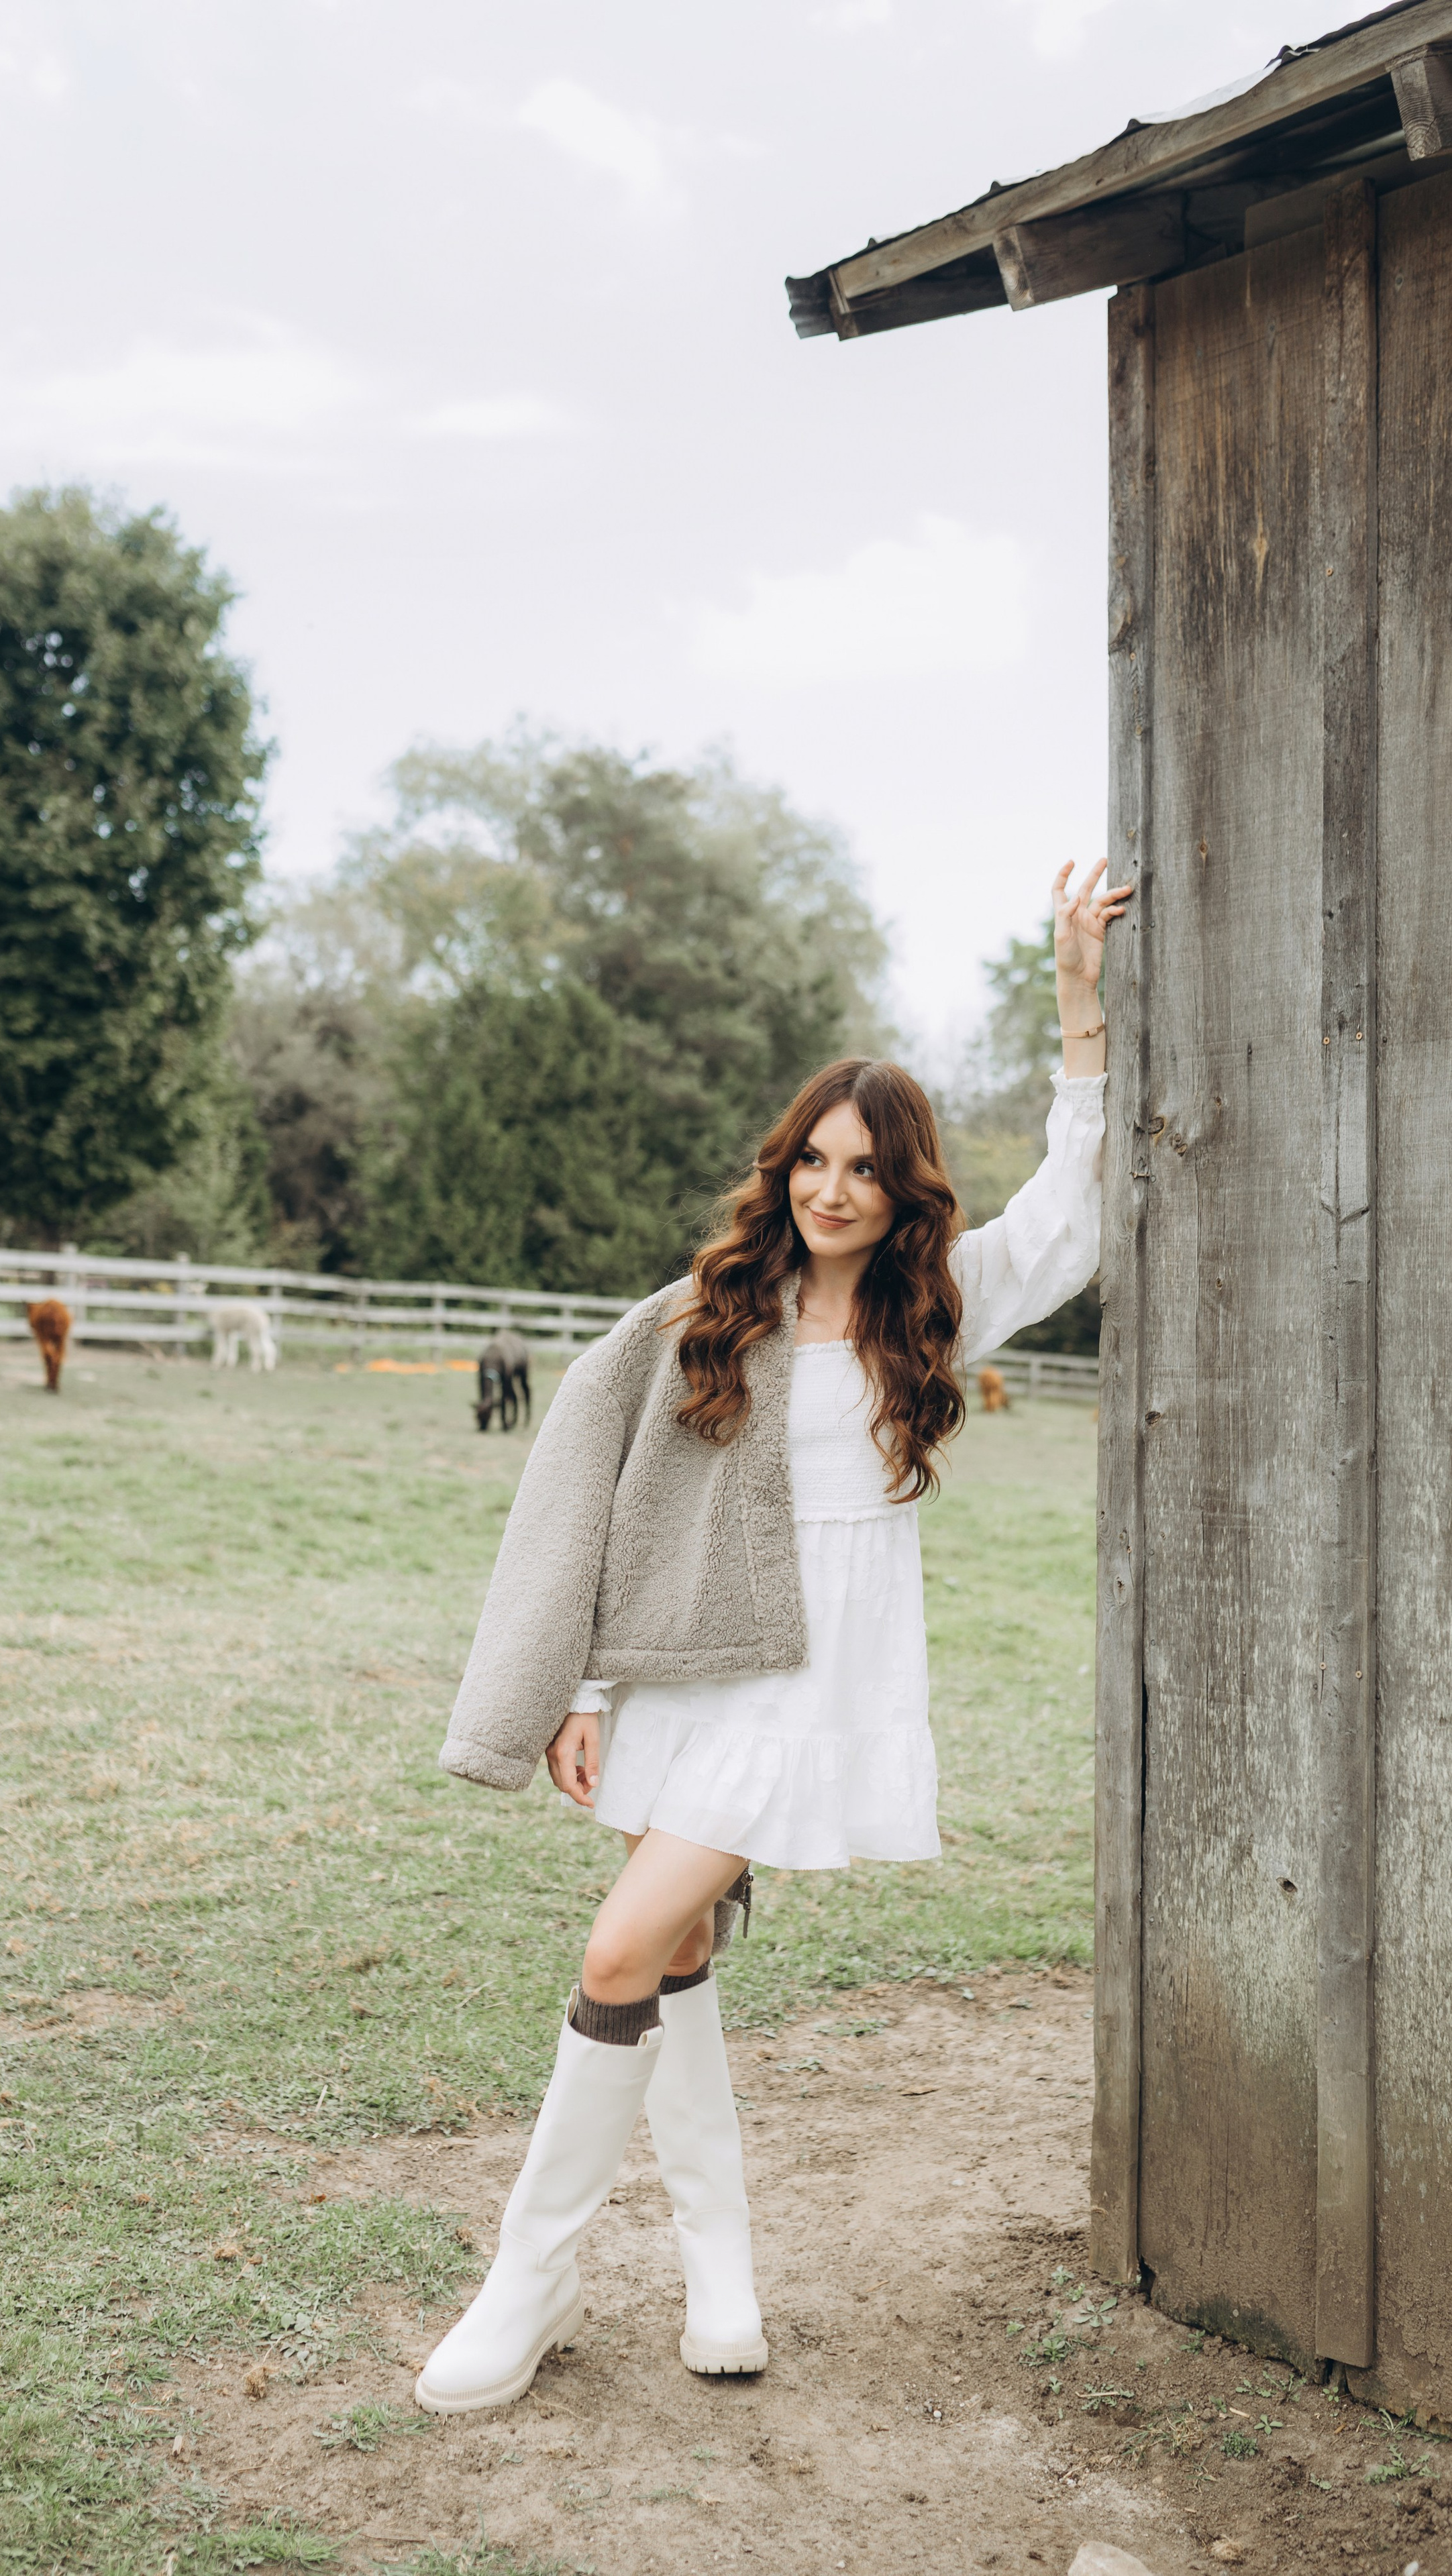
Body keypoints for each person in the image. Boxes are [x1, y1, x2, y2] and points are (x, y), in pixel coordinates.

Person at [415, 858, 1131, 2415]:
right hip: (683, 1666)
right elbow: (621, 1504)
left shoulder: (929, 1311)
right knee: (665, 1950)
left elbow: (1071, 1221)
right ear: (783, 1168)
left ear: (902, 1189)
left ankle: (523, 2283)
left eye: (863, 1169)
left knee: (618, 1946)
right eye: (812, 1159)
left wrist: (1076, 1006)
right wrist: (584, 1680)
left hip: (818, 1680)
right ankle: (719, 2271)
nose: (829, 1189)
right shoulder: (709, 1312)